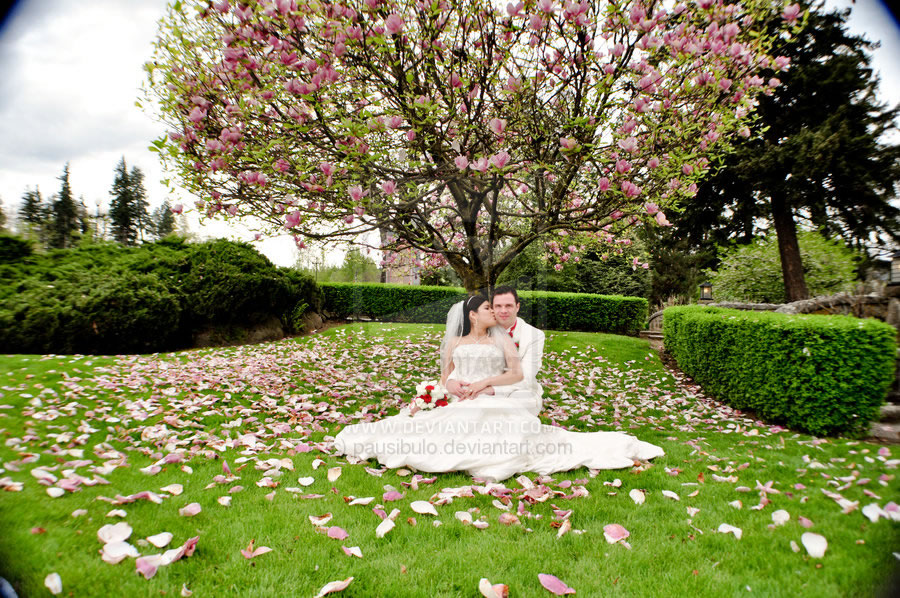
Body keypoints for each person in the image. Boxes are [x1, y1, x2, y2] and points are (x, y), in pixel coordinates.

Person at [332, 293, 664, 482]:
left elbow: (517, 374)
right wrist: (454, 384)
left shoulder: (502, 339)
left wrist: (486, 383)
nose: (495, 312)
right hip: (463, 398)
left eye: (499, 307)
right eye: (489, 308)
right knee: (431, 429)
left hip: (491, 399)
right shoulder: (455, 341)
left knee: (495, 431)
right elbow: (445, 375)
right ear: (473, 315)